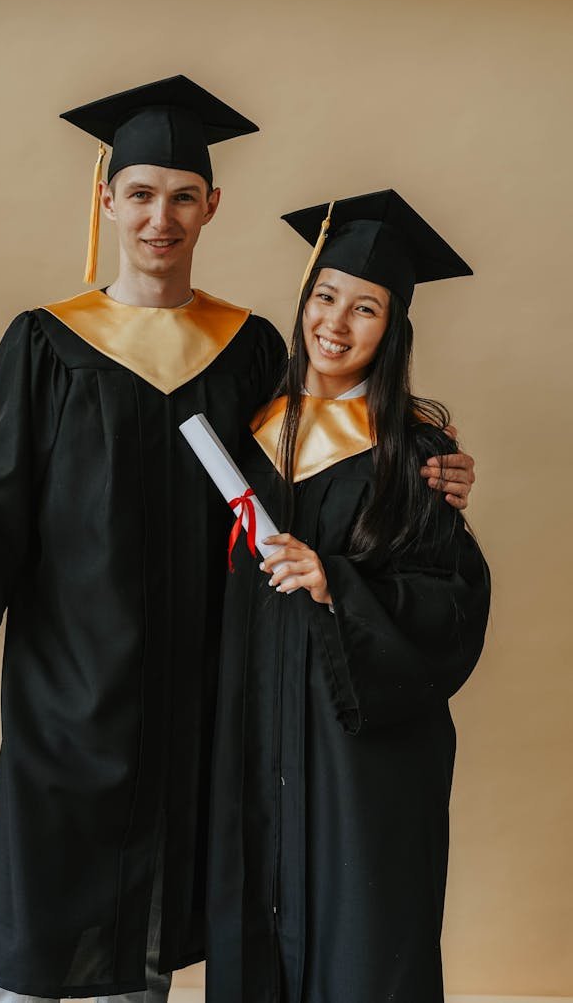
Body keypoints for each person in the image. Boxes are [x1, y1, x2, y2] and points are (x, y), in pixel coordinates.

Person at [0, 82, 475, 1003]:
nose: (159, 218)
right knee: (48, 938)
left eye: (181, 196)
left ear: (212, 206)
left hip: (199, 696)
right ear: (106, 199)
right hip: (72, 695)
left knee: (158, 940)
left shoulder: (245, 348)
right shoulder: (46, 343)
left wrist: (429, 463)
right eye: (139, 194)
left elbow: (324, 455)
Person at [204, 190, 491, 1003]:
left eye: (366, 308)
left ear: (392, 329)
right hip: (257, 730)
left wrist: (341, 584)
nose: (336, 321)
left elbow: (454, 604)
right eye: (325, 295)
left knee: (364, 936)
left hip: (361, 752)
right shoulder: (247, 428)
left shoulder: (416, 452)